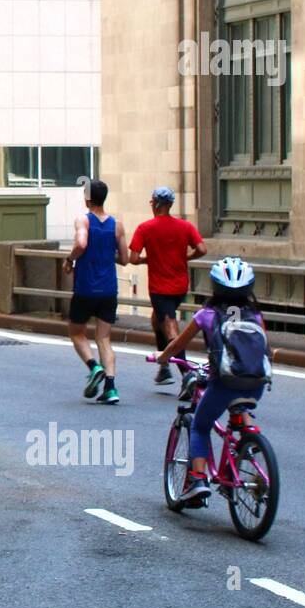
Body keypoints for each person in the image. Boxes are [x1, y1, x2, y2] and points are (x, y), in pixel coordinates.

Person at [156, 256, 269, 504]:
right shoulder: (255, 316)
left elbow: (178, 344)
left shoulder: (207, 315)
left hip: (225, 382)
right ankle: (248, 439)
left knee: (200, 425)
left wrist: (162, 357)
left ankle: (197, 478)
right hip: (256, 383)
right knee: (240, 408)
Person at [129, 186, 207, 385]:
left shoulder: (145, 228)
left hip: (159, 287)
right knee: (157, 320)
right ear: (170, 204)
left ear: (155, 203)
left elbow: (134, 258)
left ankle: (186, 374)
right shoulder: (185, 226)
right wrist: (187, 256)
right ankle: (164, 367)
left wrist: (150, 259)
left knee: (170, 327)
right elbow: (202, 249)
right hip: (180, 285)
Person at [62, 179, 129, 404]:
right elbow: (125, 259)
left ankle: (94, 366)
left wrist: (70, 259)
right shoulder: (117, 225)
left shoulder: (84, 220)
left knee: (76, 331)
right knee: (104, 337)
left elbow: (81, 244)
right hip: (109, 288)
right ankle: (110, 388)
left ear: (87, 198)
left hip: (86, 288)